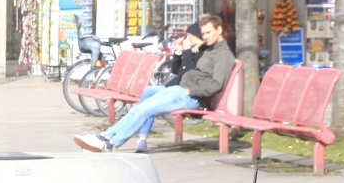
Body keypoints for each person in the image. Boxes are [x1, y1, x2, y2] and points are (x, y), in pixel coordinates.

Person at [74, 14, 233, 154]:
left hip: (189, 96)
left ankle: (110, 143)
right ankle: (104, 137)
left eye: (208, 33)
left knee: (146, 110)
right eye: (203, 33)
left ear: (219, 30)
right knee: (140, 108)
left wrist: (191, 91)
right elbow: (182, 69)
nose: (205, 36)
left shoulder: (223, 55)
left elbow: (216, 84)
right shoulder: (211, 49)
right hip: (179, 89)